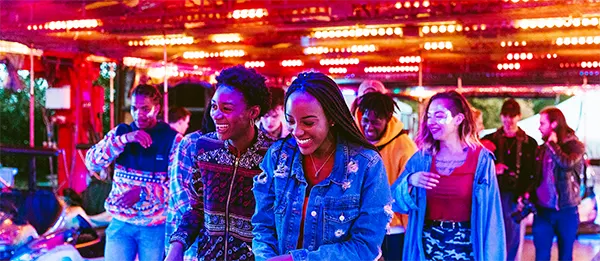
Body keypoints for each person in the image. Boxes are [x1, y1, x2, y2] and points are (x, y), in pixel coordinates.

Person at [251, 72, 393, 261]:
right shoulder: (278, 157)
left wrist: (298, 259)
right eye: (290, 121)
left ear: (332, 118)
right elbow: (263, 227)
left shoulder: (367, 165)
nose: (297, 131)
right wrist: (266, 258)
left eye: (308, 122)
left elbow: (366, 246)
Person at [165, 65, 275, 261]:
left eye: (227, 109)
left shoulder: (273, 155)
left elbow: (277, 221)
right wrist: (178, 245)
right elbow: (197, 209)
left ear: (253, 112)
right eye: (214, 106)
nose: (215, 115)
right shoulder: (205, 147)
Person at [391, 90, 506, 261]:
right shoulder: (421, 159)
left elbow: (492, 217)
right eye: (429, 116)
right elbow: (392, 201)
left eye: (439, 115)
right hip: (427, 247)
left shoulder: (481, 161)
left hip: (467, 247)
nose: (431, 122)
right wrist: (410, 180)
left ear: (459, 119)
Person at [85, 84, 182, 261]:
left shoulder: (172, 139)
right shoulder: (122, 132)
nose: (139, 114)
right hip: (120, 223)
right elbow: (91, 162)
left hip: (154, 226)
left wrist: (144, 192)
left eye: (145, 109)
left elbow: (179, 188)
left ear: (157, 108)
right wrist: (123, 140)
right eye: (134, 109)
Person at [355, 91, 417, 261]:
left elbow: (409, 194)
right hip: (361, 230)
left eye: (376, 122)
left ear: (388, 119)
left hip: (393, 232)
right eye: (365, 120)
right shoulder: (355, 142)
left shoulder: (405, 147)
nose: (368, 127)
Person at [481, 98, 537, 261]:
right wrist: (494, 168)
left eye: (512, 115)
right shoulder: (489, 139)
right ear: (501, 117)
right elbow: (478, 169)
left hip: (516, 196)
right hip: (494, 195)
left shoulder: (529, 143)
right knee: (492, 235)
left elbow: (533, 173)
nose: (509, 119)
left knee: (514, 238)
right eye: (506, 115)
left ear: (519, 116)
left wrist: (526, 194)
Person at [530, 107, 584, 261]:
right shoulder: (542, 149)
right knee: (541, 256)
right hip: (543, 212)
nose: (539, 127)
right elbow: (537, 177)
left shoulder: (574, 146)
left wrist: (553, 146)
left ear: (553, 125)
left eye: (542, 123)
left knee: (565, 256)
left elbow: (567, 163)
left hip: (566, 210)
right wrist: (528, 194)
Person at [164, 103, 215, 261]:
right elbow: (180, 194)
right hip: (189, 234)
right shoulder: (190, 143)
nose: (220, 115)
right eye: (216, 108)